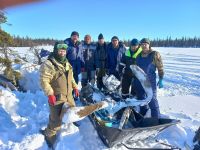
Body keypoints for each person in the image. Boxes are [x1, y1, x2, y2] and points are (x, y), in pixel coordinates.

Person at [39, 42, 79, 148]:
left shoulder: (66, 62)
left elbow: (71, 77)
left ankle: (71, 122)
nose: (62, 53)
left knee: (72, 110)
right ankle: (49, 135)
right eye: (60, 51)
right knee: (55, 119)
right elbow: (44, 80)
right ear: (56, 51)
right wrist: (49, 94)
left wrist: (75, 87)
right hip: (57, 96)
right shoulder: (49, 64)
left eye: (64, 51)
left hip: (68, 95)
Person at [134, 38, 164, 118]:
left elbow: (160, 67)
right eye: (142, 44)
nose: (144, 46)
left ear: (149, 45)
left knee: (152, 100)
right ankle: (143, 115)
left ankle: (156, 118)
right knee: (141, 99)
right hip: (139, 81)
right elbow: (136, 68)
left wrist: (161, 79)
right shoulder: (138, 55)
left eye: (145, 44)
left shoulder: (155, 54)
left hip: (150, 82)